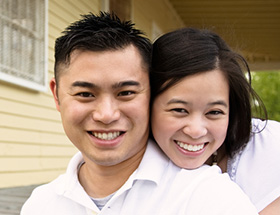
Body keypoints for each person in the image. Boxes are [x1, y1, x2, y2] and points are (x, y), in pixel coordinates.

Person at [21, 12, 259, 215]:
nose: (106, 115)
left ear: (151, 95)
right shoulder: (41, 204)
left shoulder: (208, 198)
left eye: (125, 93)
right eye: (85, 94)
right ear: (57, 95)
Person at [150, 27, 280, 214]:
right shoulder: (131, 164)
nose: (196, 130)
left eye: (214, 112)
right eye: (179, 110)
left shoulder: (270, 147)